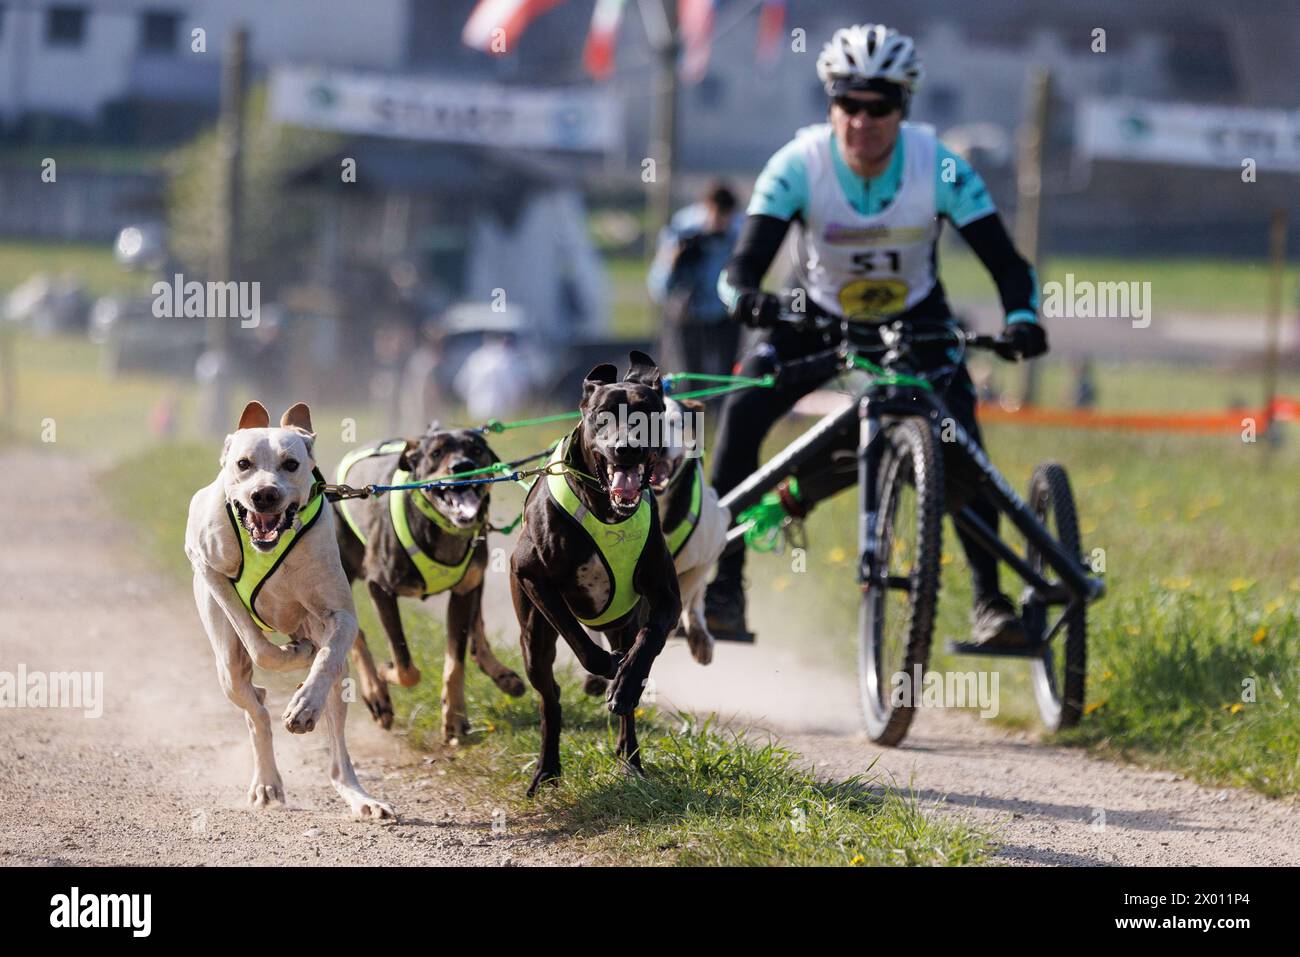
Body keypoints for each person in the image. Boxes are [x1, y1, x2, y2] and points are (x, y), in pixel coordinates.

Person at [705, 23, 1047, 648]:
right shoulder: (799, 163)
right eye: (847, 103)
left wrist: (1022, 317)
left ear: (903, 108)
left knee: (961, 444)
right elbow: (740, 269)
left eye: (879, 106)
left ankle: (992, 603)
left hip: (916, 320)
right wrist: (748, 298)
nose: (861, 121)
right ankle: (724, 589)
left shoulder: (938, 164)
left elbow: (1008, 264)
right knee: (742, 415)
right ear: (830, 103)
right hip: (815, 318)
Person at [647, 180, 743, 377]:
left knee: (724, 377)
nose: (720, 223)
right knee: (687, 378)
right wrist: (673, 261)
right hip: (687, 315)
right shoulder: (683, 229)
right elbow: (659, 284)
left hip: (724, 316)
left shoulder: (738, 232)